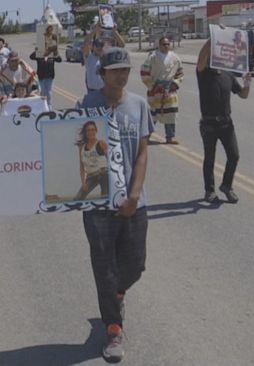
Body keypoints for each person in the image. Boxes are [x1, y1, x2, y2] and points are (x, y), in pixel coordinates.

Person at [77, 47, 153, 363]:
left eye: (125, 70)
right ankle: (113, 329)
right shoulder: (86, 105)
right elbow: (72, 147)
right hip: (97, 206)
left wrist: (134, 196)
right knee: (104, 268)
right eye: (114, 71)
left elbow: (143, 153)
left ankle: (117, 294)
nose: (121, 75)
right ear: (102, 74)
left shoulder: (138, 104)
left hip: (135, 202)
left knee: (134, 265)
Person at [196, 37, 251, 204]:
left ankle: (226, 186)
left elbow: (243, 95)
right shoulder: (204, 72)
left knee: (234, 156)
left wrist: (247, 83)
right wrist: (214, 38)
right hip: (209, 123)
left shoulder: (228, 75)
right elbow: (201, 58)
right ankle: (209, 191)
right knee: (210, 158)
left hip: (226, 123)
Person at [141, 36, 184, 144]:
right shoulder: (152, 57)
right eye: (164, 44)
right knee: (153, 114)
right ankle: (146, 136)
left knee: (171, 114)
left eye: (168, 44)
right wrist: (152, 86)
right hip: (155, 90)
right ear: (159, 45)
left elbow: (180, 73)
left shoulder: (175, 58)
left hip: (169, 91)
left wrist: (174, 84)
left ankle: (170, 137)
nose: (166, 46)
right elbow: (144, 72)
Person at [74, 120, 109, 200]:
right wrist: (83, 183)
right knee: (78, 198)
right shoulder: (82, 148)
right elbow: (82, 167)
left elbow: (111, 160)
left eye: (93, 130)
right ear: (85, 133)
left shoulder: (101, 143)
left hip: (104, 173)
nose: (91, 132)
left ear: (96, 131)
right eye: (88, 130)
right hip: (91, 176)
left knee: (105, 197)